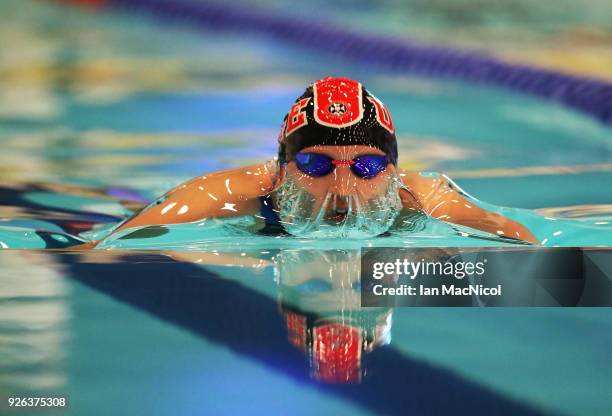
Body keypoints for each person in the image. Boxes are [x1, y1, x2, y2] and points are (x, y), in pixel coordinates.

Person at [93, 76, 538, 244]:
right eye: (316, 166)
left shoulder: (418, 197)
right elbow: (109, 247)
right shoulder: (231, 195)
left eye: (366, 167)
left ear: (394, 170)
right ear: (282, 168)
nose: (342, 190)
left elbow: (526, 244)